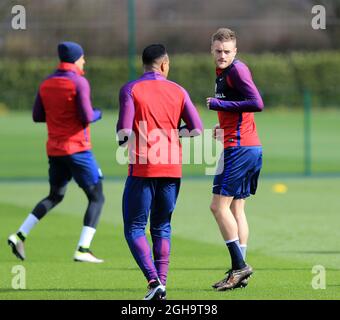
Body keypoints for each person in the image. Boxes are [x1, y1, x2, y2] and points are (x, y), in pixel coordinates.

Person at [117, 44, 203, 300]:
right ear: (164, 64)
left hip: (143, 168)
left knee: (134, 227)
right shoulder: (178, 90)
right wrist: (172, 134)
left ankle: (154, 281)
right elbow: (196, 129)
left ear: (143, 64)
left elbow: (123, 133)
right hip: (171, 168)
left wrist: (127, 140)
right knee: (162, 226)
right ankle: (161, 284)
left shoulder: (131, 89)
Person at [8, 41, 105, 263]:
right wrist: (98, 113)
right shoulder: (79, 82)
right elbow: (87, 116)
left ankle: (19, 235)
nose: (84, 61)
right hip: (78, 149)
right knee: (97, 197)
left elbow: (37, 116)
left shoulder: (46, 83)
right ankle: (83, 248)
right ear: (74, 59)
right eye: (82, 58)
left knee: (56, 195)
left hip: (55, 150)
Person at [206, 28, 264, 290]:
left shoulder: (237, 70)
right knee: (236, 209)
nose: (222, 55)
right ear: (212, 50)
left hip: (239, 149)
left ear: (235, 51)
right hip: (245, 146)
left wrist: (219, 106)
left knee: (218, 207)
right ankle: (238, 271)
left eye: (227, 51)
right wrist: (224, 127)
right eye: (218, 51)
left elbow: (256, 103)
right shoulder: (223, 72)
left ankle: (239, 267)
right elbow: (240, 107)